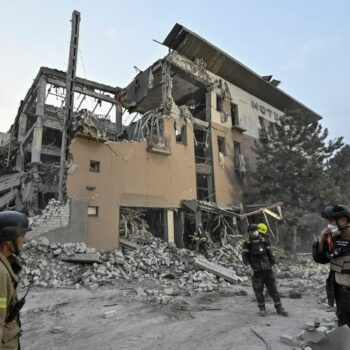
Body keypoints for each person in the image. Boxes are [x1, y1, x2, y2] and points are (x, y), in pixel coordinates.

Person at [313, 204, 350, 327]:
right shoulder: (333, 240)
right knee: (344, 320)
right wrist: (321, 242)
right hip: (340, 290)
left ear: (344, 220)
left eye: (331, 221)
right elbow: (321, 259)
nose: (329, 225)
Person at [242, 223, 288, 317]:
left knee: (273, 289)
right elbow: (245, 257)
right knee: (258, 290)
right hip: (256, 271)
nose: (255, 232)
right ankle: (262, 309)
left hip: (267, 269)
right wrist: (248, 266)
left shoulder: (264, 241)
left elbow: (269, 253)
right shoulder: (247, 243)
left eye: (256, 230)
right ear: (250, 232)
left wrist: (274, 264)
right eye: (253, 231)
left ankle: (279, 308)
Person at [0, 211, 31, 349]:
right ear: (8, 239)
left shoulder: (7, 263)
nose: (25, 239)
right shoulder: (1, 273)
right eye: (22, 234)